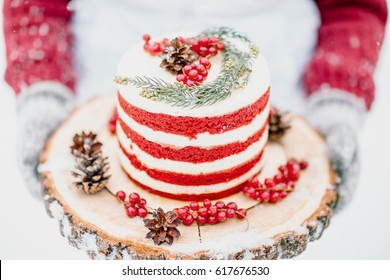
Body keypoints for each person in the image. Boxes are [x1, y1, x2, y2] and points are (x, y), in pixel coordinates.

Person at [3, 0, 388, 211]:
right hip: (114, 85)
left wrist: (339, 97)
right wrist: (43, 88)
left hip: (273, 98)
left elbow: (355, 6)